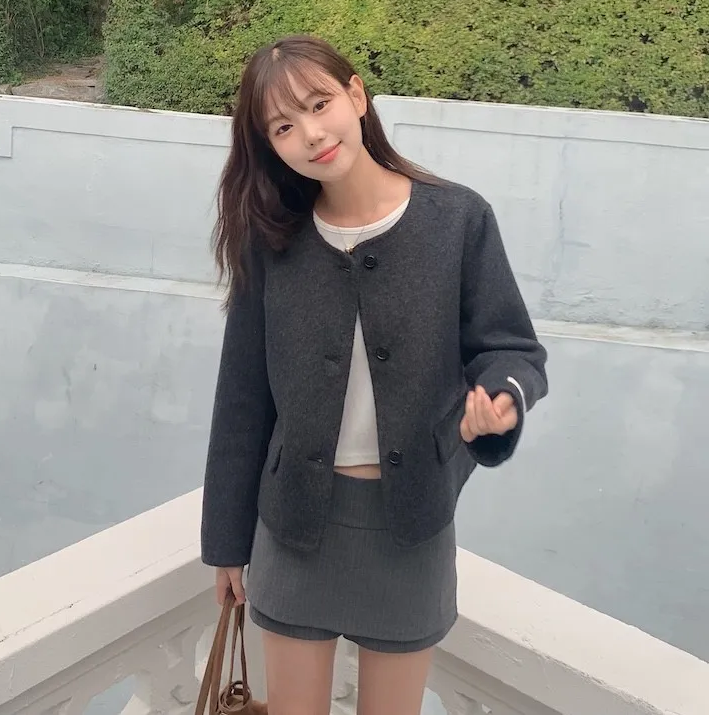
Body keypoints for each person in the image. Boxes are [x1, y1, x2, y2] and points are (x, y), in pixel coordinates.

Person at [201, 35, 548, 715]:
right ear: (269, 146)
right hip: (294, 526)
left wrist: (502, 399)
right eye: (282, 126)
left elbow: (511, 348)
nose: (310, 133)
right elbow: (242, 398)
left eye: (319, 104)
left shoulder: (457, 220)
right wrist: (226, 544)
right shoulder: (272, 241)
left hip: (411, 525)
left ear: (356, 95)